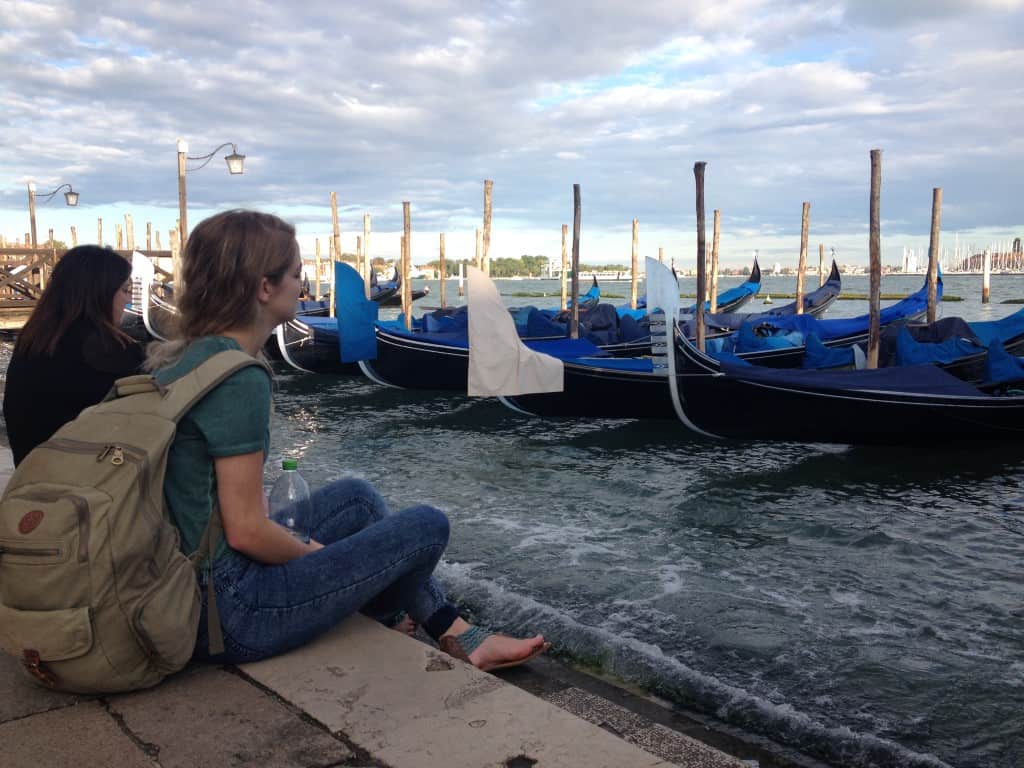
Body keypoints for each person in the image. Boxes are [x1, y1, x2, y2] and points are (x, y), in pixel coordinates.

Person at [146, 209, 547, 670]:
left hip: (184, 582)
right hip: (231, 615)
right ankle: (434, 625)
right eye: (296, 275)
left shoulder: (178, 361)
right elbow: (247, 530)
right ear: (263, 287)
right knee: (426, 524)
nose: (304, 287)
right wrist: (328, 558)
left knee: (357, 498)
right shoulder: (238, 378)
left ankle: (447, 629)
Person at [3, 245, 143, 466]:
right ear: (101, 292)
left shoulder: (36, 338)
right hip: (83, 484)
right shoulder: (100, 345)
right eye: (125, 290)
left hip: (30, 474)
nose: (127, 301)